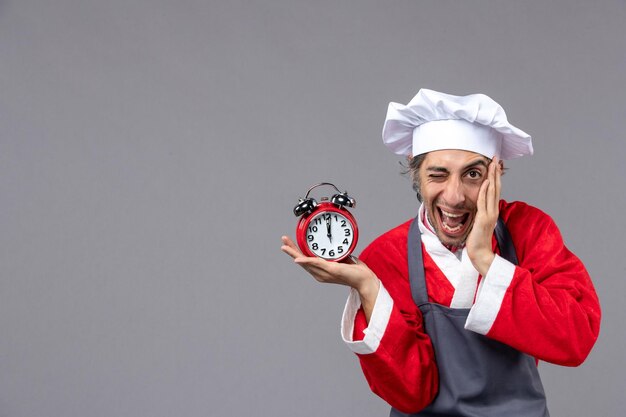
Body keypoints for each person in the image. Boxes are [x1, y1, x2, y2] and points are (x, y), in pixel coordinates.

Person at [281, 89, 601, 417]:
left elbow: (575, 339)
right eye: (438, 174)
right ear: (415, 171)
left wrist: (484, 259)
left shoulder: (529, 231)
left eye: (473, 174)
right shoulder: (387, 256)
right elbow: (412, 395)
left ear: (498, 172)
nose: (454, 196)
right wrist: (368, 287)